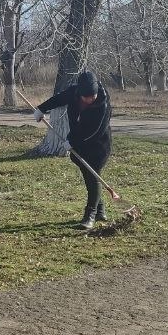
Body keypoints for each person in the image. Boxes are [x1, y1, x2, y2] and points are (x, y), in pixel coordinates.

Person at [34, 70, 113, 230]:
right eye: (86, 97)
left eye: (93, 96)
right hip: (79, 142)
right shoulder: (74, 93)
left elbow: (95, 130)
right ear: (80, 93)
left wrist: (72, 141)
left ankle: (90, 215)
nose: (90, 99)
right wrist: (41, 109)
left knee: (93, 174)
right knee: (89, 176)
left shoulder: (103, 104)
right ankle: (100, 210)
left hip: (98, 145)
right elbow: (58, 99)